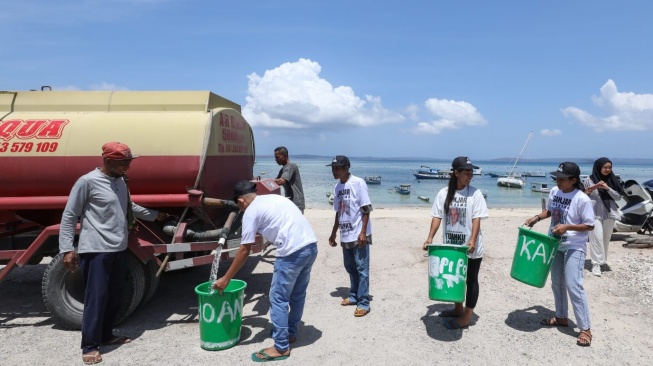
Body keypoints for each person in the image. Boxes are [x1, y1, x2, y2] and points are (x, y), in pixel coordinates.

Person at [59, 142, 168, 365]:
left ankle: (106, 335)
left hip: (119, 248)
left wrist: (155, 215)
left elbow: (130, 207)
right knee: (96, 298)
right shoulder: (87, 182)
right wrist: (67, 248)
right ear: (107, 161)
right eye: (123, 162)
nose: (128, 165)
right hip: (96, 250)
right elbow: (70, 215)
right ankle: (89, 345)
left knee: (115, 295)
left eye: (129, 161)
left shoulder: (120, 181)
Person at [213, 180, 318, 362]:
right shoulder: (273, 198)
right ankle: (290, 333)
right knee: (297, 295)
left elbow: (245, 249)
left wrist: (226, 278)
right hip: (310, 245)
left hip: (291, 252)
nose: (240, 209)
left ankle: (281, 347)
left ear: (241, 201)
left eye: (238, 205)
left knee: (278, 298)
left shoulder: (251, 212)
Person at [525, 162, 595, 347]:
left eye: (562, 179)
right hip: (554, 243)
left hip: (574, 246)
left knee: (574, 285)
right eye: (557, 177)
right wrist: (537, 217)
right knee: (557, 282)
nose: (557, 181)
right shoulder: (555, 192)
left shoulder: (582, 199)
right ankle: (561, 316)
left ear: (573, 180)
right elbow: (551, 210)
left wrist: (567, 227)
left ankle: (585, 328)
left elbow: (590, 225)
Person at [422, 156, 488, 330]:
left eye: (471, 172)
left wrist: (472, 240)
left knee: (471, 280)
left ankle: (466, 317)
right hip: (451, 246)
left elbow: (476, 219)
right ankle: (458, 309)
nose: (470, 175)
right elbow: (437, 216)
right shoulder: (443, 193)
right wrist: (430, 237)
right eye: (466, 172)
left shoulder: (475, 193)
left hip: (470, 247)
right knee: (455, 277)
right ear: (456, 173)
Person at [327, 155, 373, 317]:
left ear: (346, 168)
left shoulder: (358, 183)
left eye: (337, 168)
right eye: (333, 168)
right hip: (345, 234)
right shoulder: (337, 187)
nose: (334, 171)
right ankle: (353, 296)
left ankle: (364, 302)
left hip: (359, 234)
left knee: (362, 269)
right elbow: (338, 212)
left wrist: (363, 233)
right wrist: (333, 233)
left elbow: (366, 208)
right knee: (350, 268)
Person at [583, 157, 624, 276]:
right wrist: (592, 189)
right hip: (594, 213)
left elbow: (618, 197)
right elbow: (583, 195)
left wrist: (607, 188)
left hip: (610, 213)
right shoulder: (589, 179)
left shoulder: (613, 180)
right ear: (598, 167)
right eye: (605, 167)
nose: (607, 169)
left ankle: (603, 261)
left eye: (609, 167)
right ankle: (595, 264)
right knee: (597, 238)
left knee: (606, 238)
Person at [274, 146, 306, 213]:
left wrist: (265, 182)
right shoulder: (283, 169)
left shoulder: (291, 166)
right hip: (290, 203)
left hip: (296, 204)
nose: (275, 159)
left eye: (277, 157)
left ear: (284, 156)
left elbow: (281, 181)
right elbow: (275, 183)